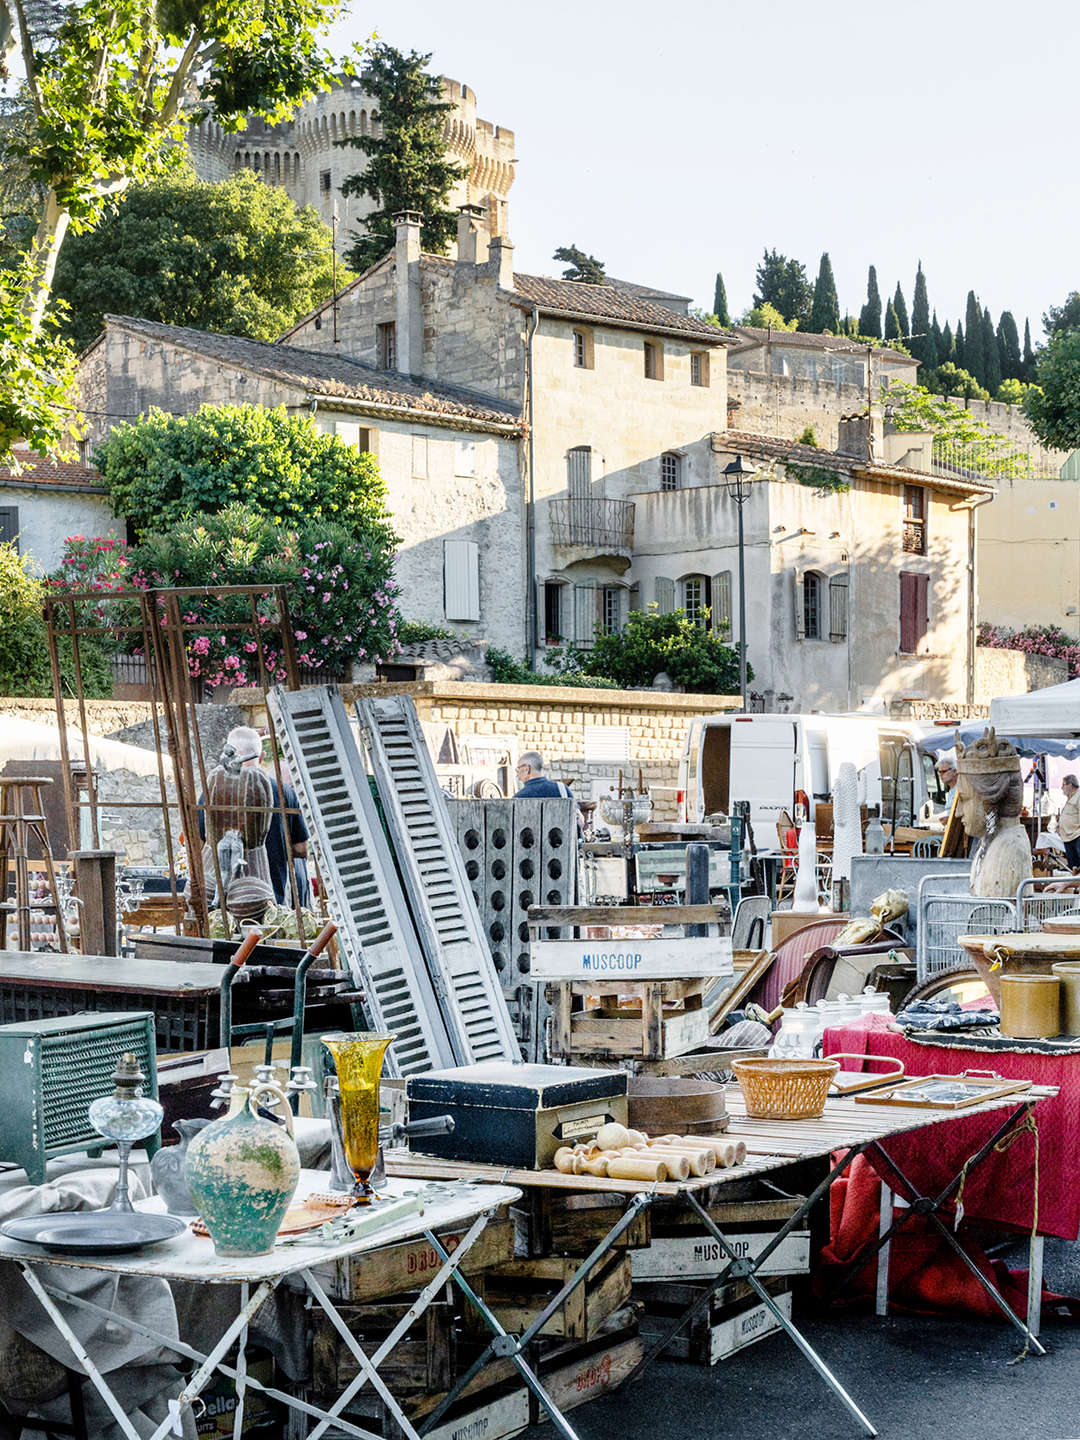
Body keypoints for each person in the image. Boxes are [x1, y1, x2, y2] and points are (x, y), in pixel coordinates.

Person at [199, 726, 310, 907]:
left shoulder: (212, 791)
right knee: (267, 934)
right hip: (269, 894)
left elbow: (198, 844)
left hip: (224, 899)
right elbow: (301, 849)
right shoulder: (284, 792)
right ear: (262, 756)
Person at [1058, 774, 1080, 871]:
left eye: (1063, 785)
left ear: (1070, 785)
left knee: (1077, 865)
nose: (1061, 788)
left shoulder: (1078, 796)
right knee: (1072, 867)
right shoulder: (1071, 797)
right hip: (1068, 837)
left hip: (1076, 836)